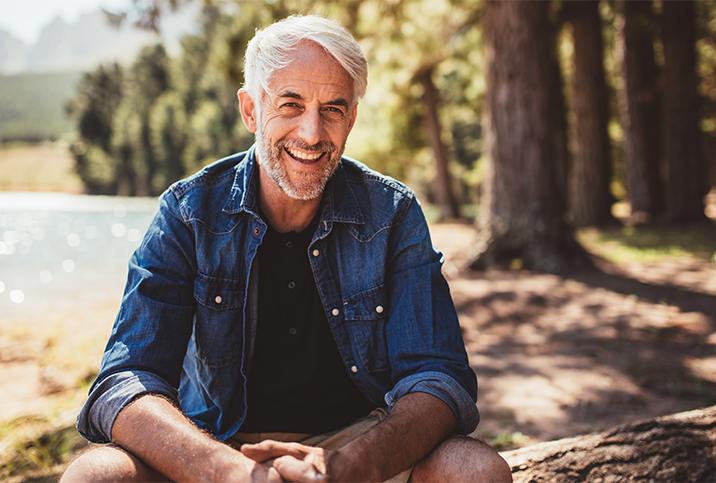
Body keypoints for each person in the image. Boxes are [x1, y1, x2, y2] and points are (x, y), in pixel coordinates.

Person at [61, 14, 512, 483]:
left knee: (473, 470)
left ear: (352, 118)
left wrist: (345, 468)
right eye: (290, 104)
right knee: (96, 475)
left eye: (333, 109)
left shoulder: (392, 213)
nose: (312, 133)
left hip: (360, 445)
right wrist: (232, 473)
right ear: (251, 109)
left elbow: (438, 378)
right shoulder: (188, 212)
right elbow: (126, 380)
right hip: (215, 446)